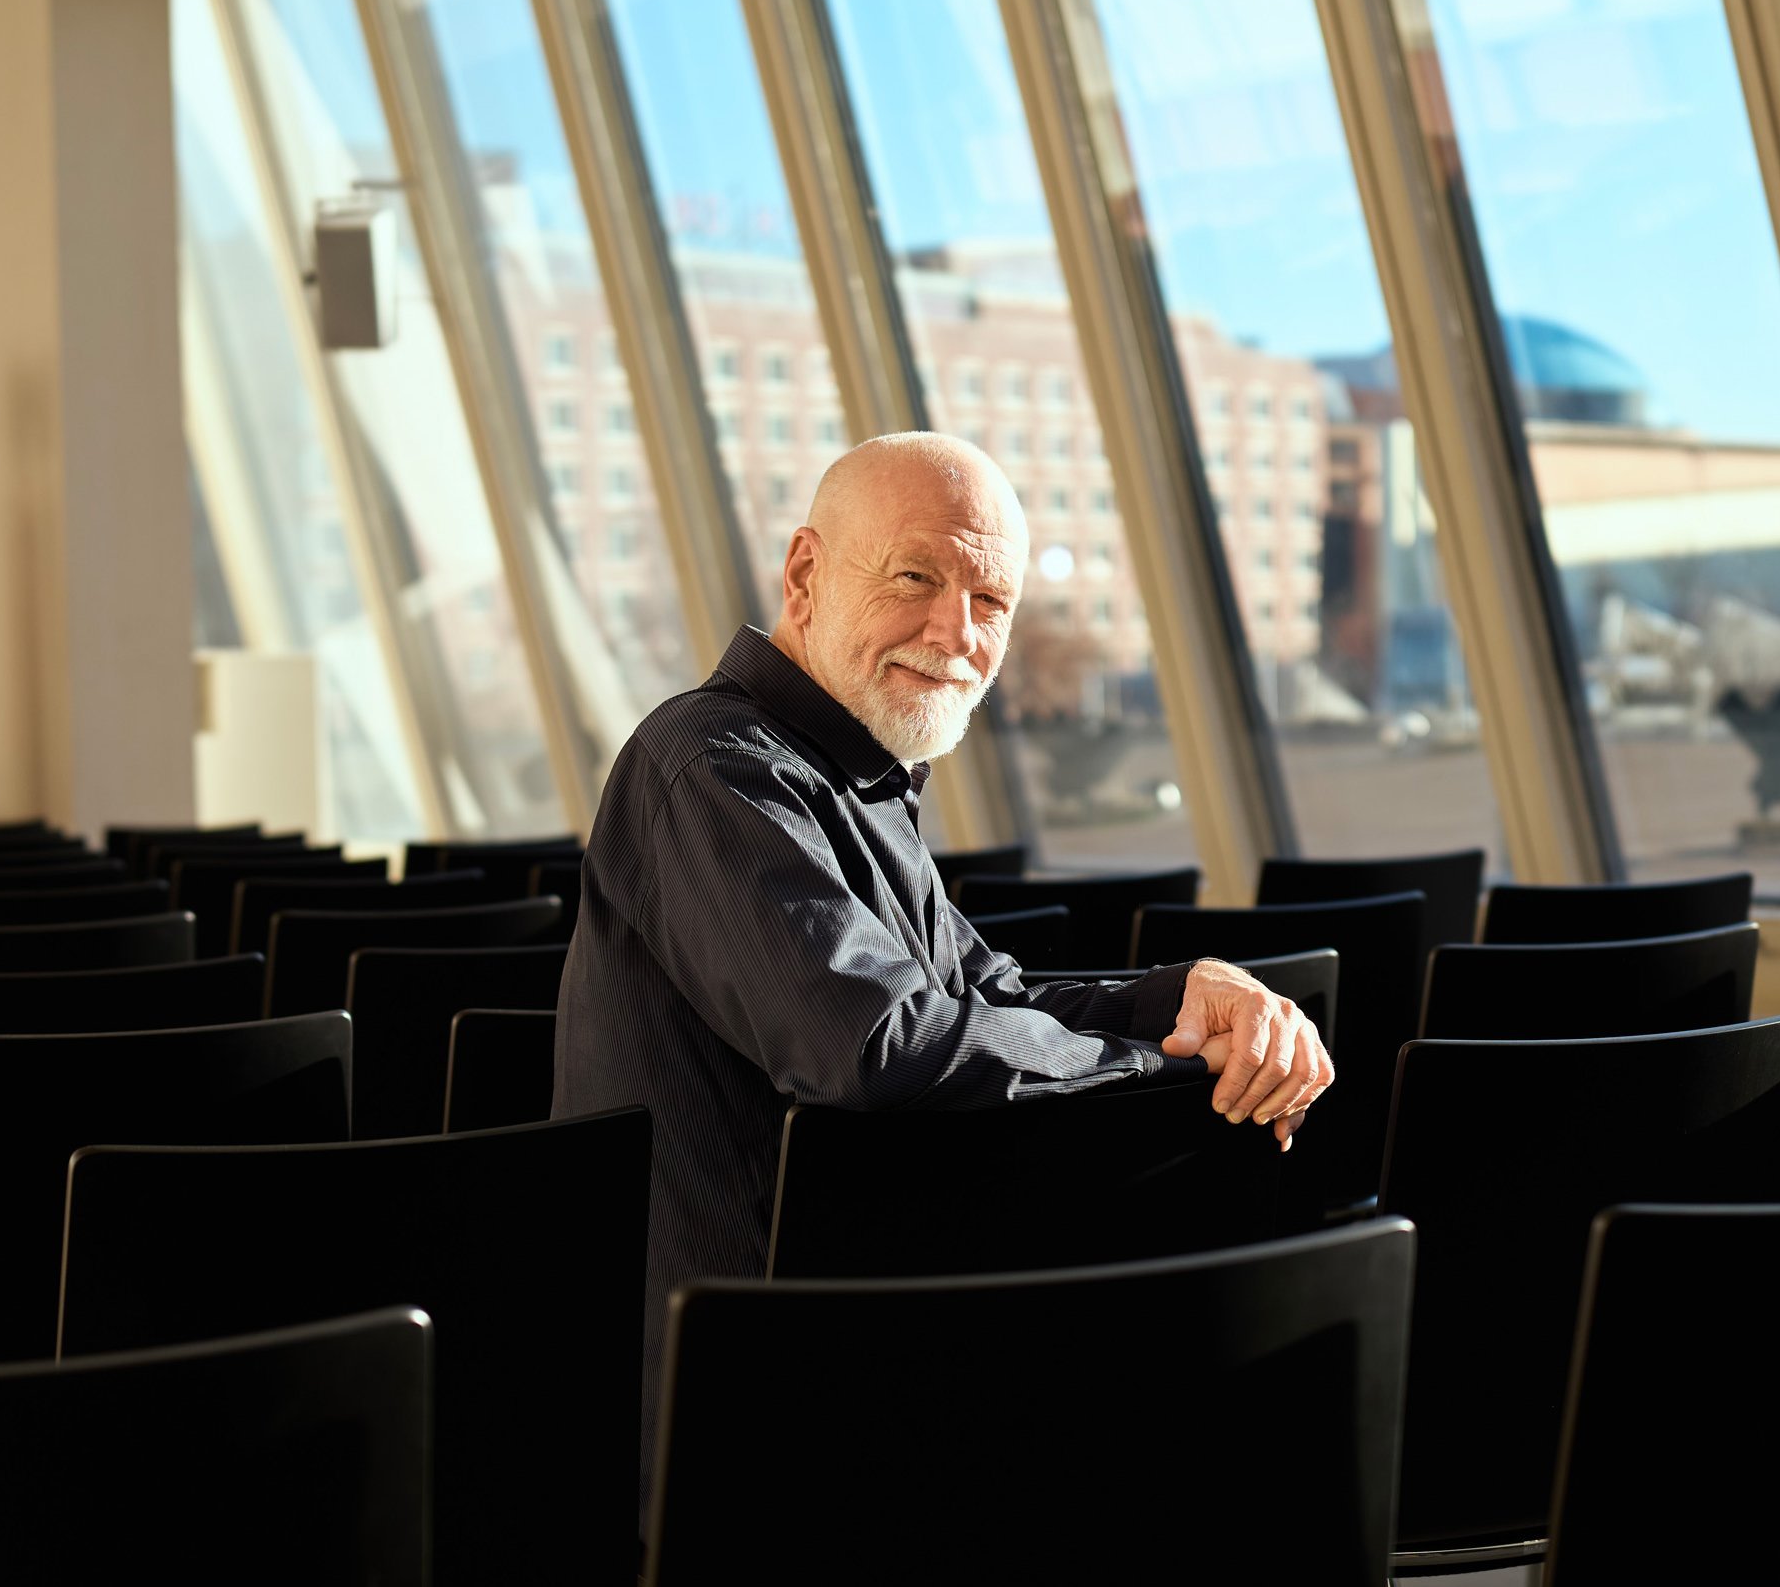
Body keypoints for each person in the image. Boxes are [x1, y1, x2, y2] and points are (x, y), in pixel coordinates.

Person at [552, 431, 1335, 1476]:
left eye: (990, 602)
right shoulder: (709, 765)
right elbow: (875, 1046)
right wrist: (1172, 1068)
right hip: (741, 1420)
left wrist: (1186, 1000)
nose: (954, 631)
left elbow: (981, 994)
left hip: (864, 1350)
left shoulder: (852, 776)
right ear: (804, 577)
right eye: (916, 576)